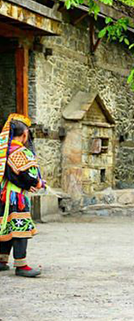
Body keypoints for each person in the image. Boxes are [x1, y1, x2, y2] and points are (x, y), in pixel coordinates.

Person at [0, 114, 43, 277]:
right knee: (19, 228)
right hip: (15, 197)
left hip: (2, 194)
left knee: (5, 225)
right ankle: (21, 265)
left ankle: (2, 260)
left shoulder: (3, 150)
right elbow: (29, 176)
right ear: (25, 134)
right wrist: (38, 183)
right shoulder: (21, 152)